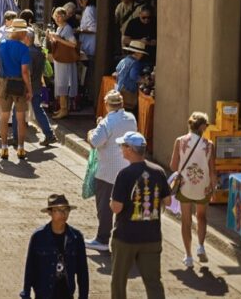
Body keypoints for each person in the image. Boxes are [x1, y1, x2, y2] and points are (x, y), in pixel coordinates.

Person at [109, 131, 170, 299]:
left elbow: (116, 208)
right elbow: (168, 201)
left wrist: (111, 202)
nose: (121, 149)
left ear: (130, 149)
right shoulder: (159, 171)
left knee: (119, 280)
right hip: (152, 237)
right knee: (153, 282)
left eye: (123, 146)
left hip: (126, 237)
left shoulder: (125, 174)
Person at [85, 91, 138, 253]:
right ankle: (123, 239)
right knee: (125, 206)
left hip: (107, 171)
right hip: (126, 169)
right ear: (121, 104)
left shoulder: (107, 122)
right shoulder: (131, 118)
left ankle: (102, 239)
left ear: (107, 105)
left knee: (105, 207)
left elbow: (95, 141)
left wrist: (91, 132)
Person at [21, 194, 89, 299]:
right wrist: (26, 294)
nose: (63, 213)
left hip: (66, 293)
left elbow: (82, 272)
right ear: (50, 212)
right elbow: (30, 268)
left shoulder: (76, 237)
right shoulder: (38, 237)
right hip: (43, 294)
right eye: (58, 210)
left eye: (66, 210)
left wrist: (83, 296)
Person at [169, 112, 215, 268]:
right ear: (202, 127)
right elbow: (212, 170)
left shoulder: (180, 141)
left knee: (186, 221)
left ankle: (188, 256)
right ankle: (201, 246)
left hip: (185, 186)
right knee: (201, 217)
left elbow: (173, 166)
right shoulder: (209, 145)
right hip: (203, 186)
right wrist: (212, 187)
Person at [0, 18, 33, 161]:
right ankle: (21, 148)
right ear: (21, 32)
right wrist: (30, 89)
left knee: (4, 117)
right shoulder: (24, 49)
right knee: (21, 118)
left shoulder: (0, 45)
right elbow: (25, 72)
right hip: (19, 84)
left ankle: (4, 148)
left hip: (3, 82)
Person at [47, 7, 79, 120]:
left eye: (60, 16)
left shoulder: (67, 28)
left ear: (64, 16)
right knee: (60, 83)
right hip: (60, 59)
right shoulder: (60, 28)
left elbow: (73, 44)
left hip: (64, 60)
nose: (57, 18)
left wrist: (58, 39)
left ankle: (64, 109)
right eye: (56, 16)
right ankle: (62, 108)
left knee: (63, 83)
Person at [115, 40, 149, 111]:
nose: (142, 55)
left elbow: (117, 71)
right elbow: (133, 76)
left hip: (119, 89)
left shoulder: (124, 60)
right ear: (138, 53)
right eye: (141, 53)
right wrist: (144, 81)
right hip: (128, 92)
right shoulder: (135, 63)